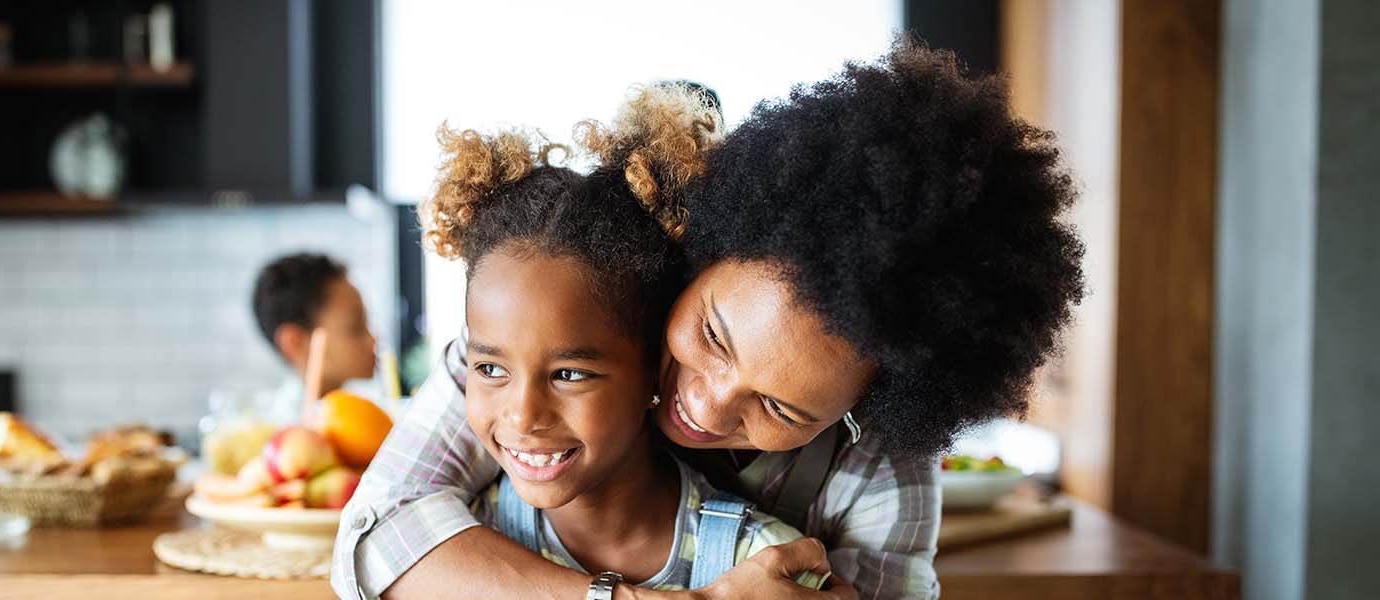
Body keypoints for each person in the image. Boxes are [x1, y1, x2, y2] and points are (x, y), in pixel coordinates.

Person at [334, 39, 1084, 600]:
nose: (705, 402)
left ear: (866, 405)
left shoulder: (881, 470)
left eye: (780, 405)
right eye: (713, 337)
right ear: (706, 246)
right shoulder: (560, 336)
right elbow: (374, 537)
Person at [422, 105, 825, 590]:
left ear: (656, 369)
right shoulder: (447, 545)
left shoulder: (765, 570)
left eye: (568, 374)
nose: (522, 415)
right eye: (489, 368)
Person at [250, 253, 378, 416]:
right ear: (295, 343)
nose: (373, 340)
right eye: (355, 328)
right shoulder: (290, 432)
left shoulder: (363, 413)